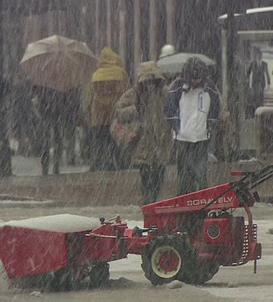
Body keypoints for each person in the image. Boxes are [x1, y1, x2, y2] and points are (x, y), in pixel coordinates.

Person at [113, 61, 172, 204]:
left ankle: (153, 203)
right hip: (142, 145)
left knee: (158, 178)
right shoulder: (133, 95)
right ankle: (148, 204)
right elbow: (119, 112)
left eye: (153, 81)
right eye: (147, 81)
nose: (150, 85)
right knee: (147, 179)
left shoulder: (165, 94)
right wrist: (135, 109)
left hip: (161, 143)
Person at [164, 57, 220, 195]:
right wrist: (177, 127)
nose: (196, 81)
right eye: (193, 78)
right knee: (184, 174)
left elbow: (215, 108)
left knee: (201, 173)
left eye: (198, 78)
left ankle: (201, 199)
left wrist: (210, 125)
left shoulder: (210, 88)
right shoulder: (177, 88)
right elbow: (169, 109)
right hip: (182, 138)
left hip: (202, 136)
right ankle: (186, 199)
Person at [84, 47, 130, 171]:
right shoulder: (121, 73)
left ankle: (98, 163)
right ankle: (119, 163)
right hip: (115, 115)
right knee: (116, 140)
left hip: (98, 116)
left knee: (99, 141)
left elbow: (89, 97)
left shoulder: (95, 75)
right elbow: (127, 92)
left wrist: (88, 111)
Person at [245, 48, 270, 118]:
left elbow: (267, 73)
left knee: (261, 96)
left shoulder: (265, 64)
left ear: (261, 56)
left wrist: (268, 82)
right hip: (255, 83)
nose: (259, 56)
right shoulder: (252, 64)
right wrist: (247, 79)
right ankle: (255, 111)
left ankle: (260, 111)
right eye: (258, 55)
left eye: (260, 55)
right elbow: (248, 72)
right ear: (256, 56)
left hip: (262, 83)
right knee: (255, 96)